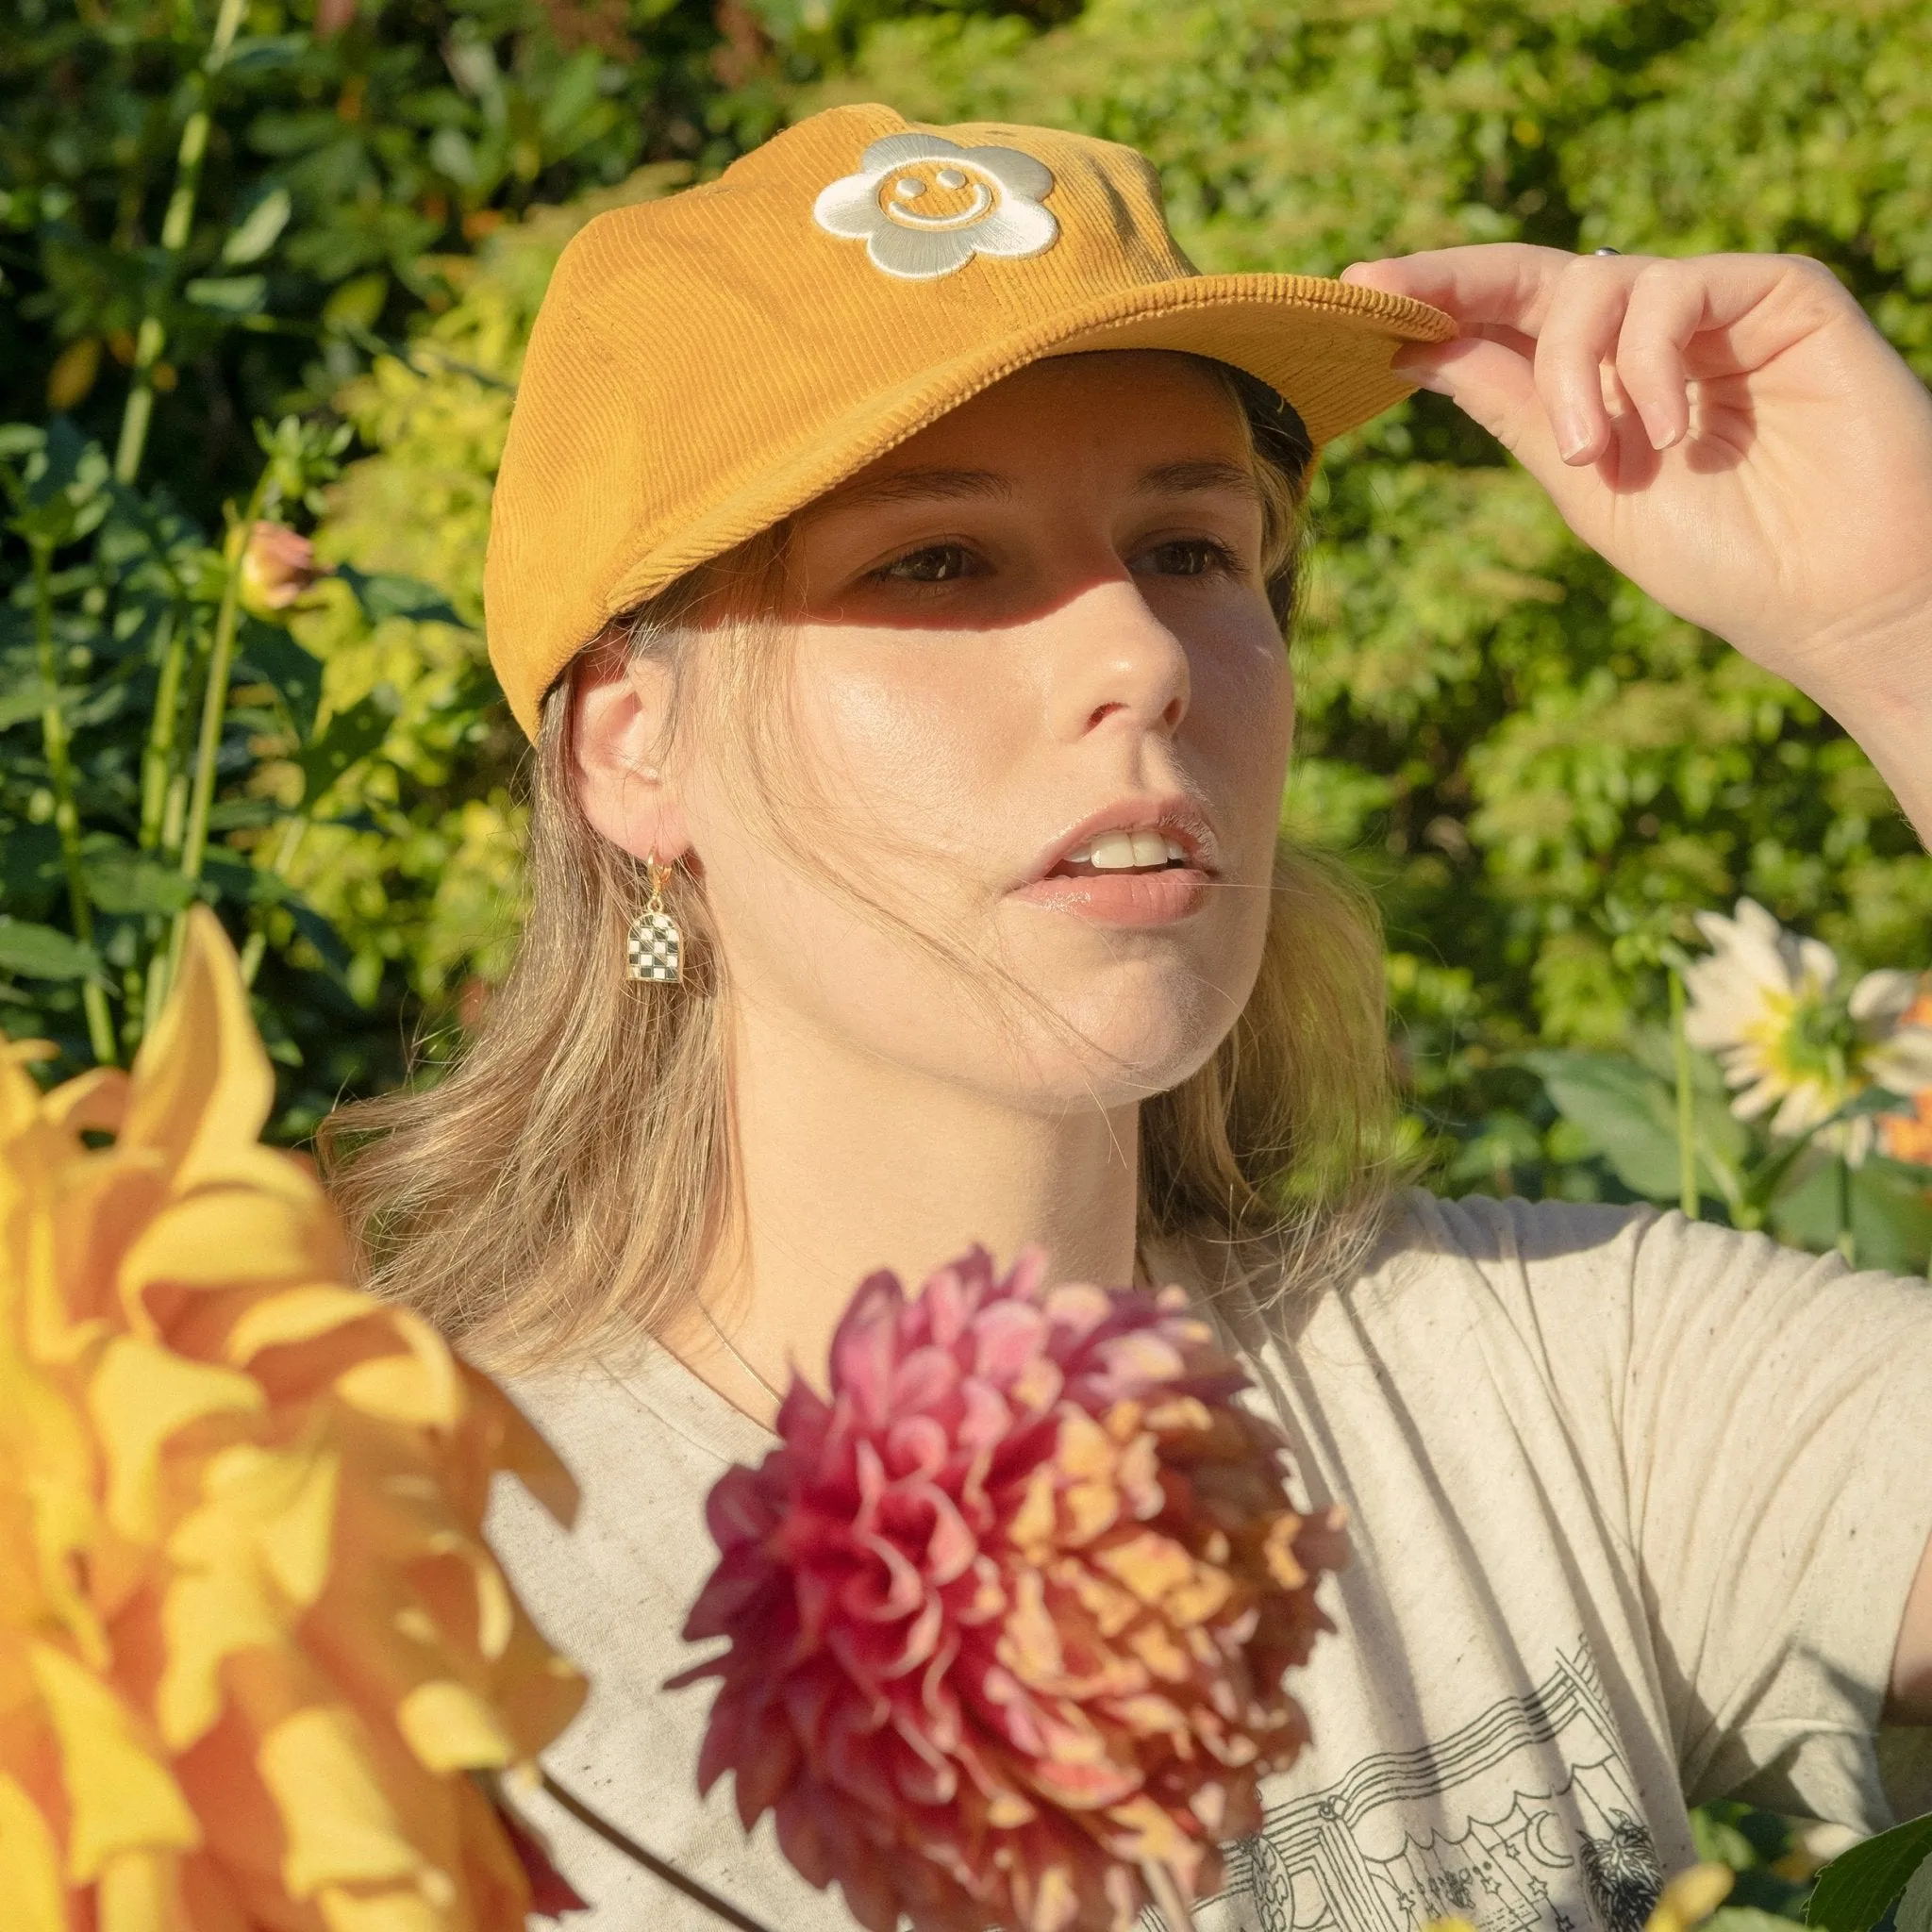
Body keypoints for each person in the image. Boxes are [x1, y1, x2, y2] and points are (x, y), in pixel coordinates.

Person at [319, 103, 1932, 1932]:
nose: (1143, 661)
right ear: (633, 740)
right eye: (936, 561)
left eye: (1189, 547)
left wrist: (1904, 620)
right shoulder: (408, 1635)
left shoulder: (1556, 1386)